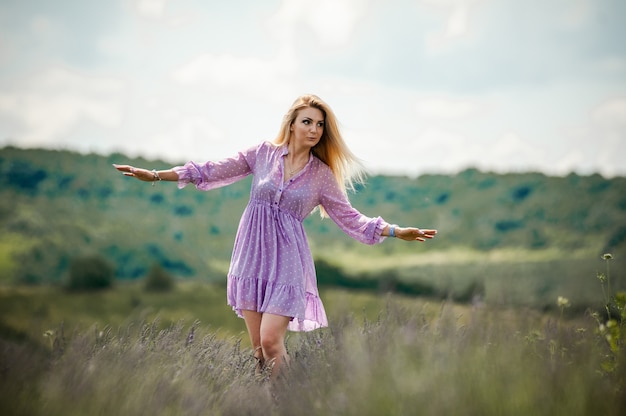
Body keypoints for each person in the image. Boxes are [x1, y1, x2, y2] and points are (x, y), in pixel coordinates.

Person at [114, 94, 437, 379]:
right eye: (307, 122)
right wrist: (157, 175)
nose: (314, 129)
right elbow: (210, 170)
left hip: (288, 264)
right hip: (251, 258)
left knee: (271, 341)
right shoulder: (263, 154)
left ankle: (294, 403)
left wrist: (394, 231)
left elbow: (351, 218)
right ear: (292, 124)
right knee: (259, 353)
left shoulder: (322, 176)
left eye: (320, 125)